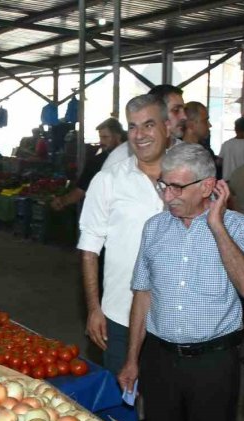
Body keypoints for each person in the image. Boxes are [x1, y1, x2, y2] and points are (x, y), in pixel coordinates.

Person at [117, 144, 244, 421]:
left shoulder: (237, 226)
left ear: (207, 186)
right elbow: (143, 295)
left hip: (213, 364)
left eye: (177, 187)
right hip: (160, 360)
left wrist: (216, 226)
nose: (168, 196)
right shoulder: (154, 228)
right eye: (164, 186)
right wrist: (132, 359)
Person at [77, 94, 171, 374]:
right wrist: (94, 308)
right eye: (132, 126)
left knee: (167, 397)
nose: (139, 135)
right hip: (121, 316)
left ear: (167, 127)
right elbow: (89, 249)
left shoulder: (188, 179)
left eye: (149, 125)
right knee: (122, 396)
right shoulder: (108, 180)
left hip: (176, 320)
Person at [102, 84, 186, 169]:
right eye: (176, 110)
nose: (184, 117)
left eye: (184, 110)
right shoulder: (118, 160)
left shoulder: (188, 154)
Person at [51, 118, 124, 211]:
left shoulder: (134, 157)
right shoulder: (96, 161)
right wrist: (63, 201)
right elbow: (80, 190)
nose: (101, 142)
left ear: (118, 136)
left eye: (105, 137)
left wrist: (62, 201)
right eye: (100, 137)